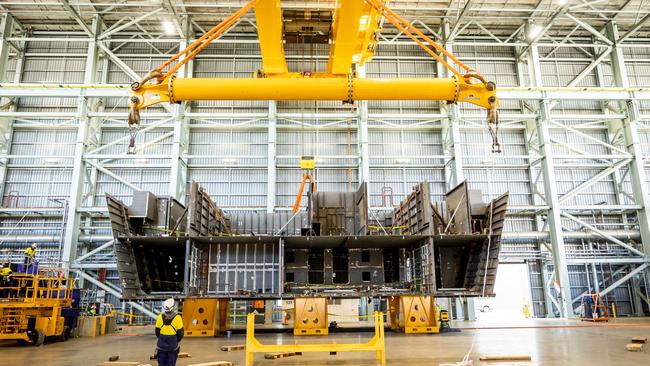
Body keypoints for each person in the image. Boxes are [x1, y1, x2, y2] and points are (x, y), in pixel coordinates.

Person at [155, 298, 184, 366]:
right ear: (173, 307)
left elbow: (157, 332)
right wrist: (175, 340)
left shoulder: (159, 317)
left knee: (161, 364)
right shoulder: (178, 318)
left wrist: (162, 339)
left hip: (161, 346)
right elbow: (180, 334)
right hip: (173, 347)